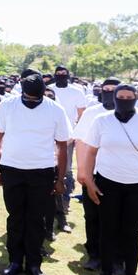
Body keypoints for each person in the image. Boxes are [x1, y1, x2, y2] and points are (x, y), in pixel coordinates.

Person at [0, 70, 70, 275]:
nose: (32, 101)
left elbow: (63, 146)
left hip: (42, 171)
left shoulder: (55, 110)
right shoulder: (7, 106)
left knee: (36, 219)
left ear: (44, 92)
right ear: (22, 91)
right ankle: (15, 261)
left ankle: (34, 264)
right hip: (12, 168)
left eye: (36, 98)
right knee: (15, 217)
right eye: (28, 98)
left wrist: (61, 178)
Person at [80, 84, 138, 275]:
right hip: (108, 183)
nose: (125, 100)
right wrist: (89, 180)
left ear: (135, 99)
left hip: (137, 186)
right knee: (107, 231)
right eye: (121, 97)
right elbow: (90, 153)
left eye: (129, 97)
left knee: (131, 234)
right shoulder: (101, 121)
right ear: (114, 98)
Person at [49, 65, 86, 232]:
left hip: (67, 139)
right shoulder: (48, 90)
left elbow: (81, 116)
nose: (61, 76)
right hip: (46, 140)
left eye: (64, 74)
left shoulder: (77, 91)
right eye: (58, 74)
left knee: (65, 173)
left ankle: (63, 211)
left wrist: (74, 137)